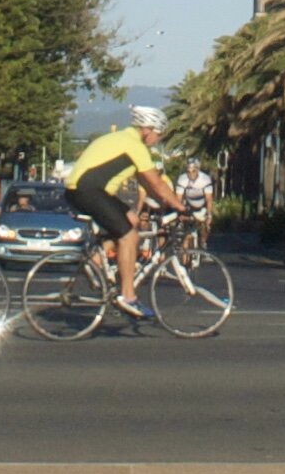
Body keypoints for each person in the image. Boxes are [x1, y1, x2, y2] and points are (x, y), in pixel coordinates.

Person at [64, 106, 186, 319]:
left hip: (83, 190)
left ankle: (95, 262)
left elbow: (147, 184)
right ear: (147, 130)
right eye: (159, 134)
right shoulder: (135, 146)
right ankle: (128, 297)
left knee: (131, 219)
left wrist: (165, 205)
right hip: (89, 191)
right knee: (130, 236)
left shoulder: (119, 139)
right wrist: (180, 207)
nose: (159, 139)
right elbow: (156, 183)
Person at [175, 155, 216, 242]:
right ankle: (185, 252)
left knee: (205, 227)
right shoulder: (182, 179)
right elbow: (178, 199)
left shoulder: (205, 179)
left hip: (202, 205)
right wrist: (180, 213)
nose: (190, 174)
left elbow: (209, 199)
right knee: (186, 236)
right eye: (188, 172)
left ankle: (203, 243)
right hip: (189, 205)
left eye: (193, 171)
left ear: (198, 170)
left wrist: (209, 215)